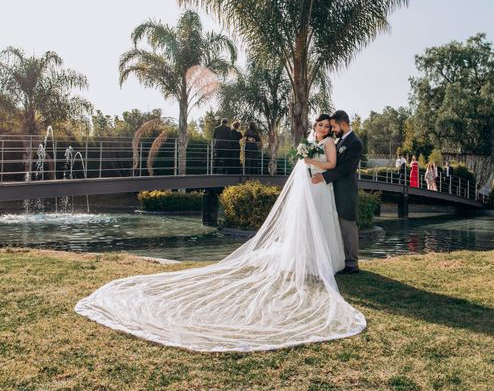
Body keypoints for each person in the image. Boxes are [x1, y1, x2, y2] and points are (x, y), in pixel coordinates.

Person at [75, 111, 366, 353]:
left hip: (320, 187)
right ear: (315, 126)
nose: (325, 129)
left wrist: (312, 163)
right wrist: (305, 161)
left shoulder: (332, 142)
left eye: (328, 126)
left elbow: (332, 164)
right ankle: (304, 258)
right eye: (322, 125)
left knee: (323, 224)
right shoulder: (309, 141)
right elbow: (305, 161)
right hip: (308, 186)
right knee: (302, 223)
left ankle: (330, 260)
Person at [311, 110, 363, 274]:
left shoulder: (355, 142)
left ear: (343, 124)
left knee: (348, 226)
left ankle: (352, 264)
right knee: (337, 227)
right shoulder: (340, 140)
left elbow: (345, 168)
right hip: (333, 189)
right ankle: (341, 261)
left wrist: (324, 177)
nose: (332, 129)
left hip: (346, 191)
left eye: (333, 126)